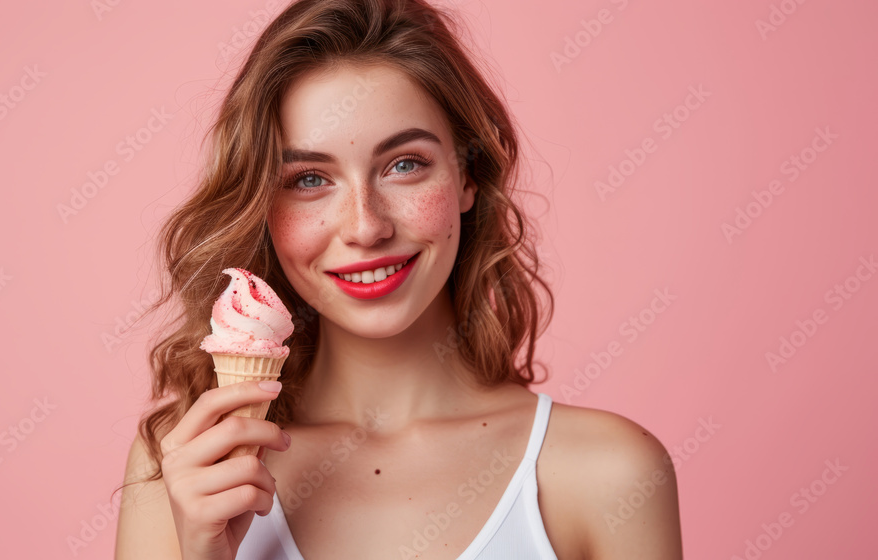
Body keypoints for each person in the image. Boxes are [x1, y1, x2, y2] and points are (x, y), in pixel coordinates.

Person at [114, 0, 683, 558]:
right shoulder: (185, 464)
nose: (366, 227)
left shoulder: (608, 473)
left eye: (404, 165)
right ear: (262, 205)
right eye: (310, 178)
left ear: (467, 175)